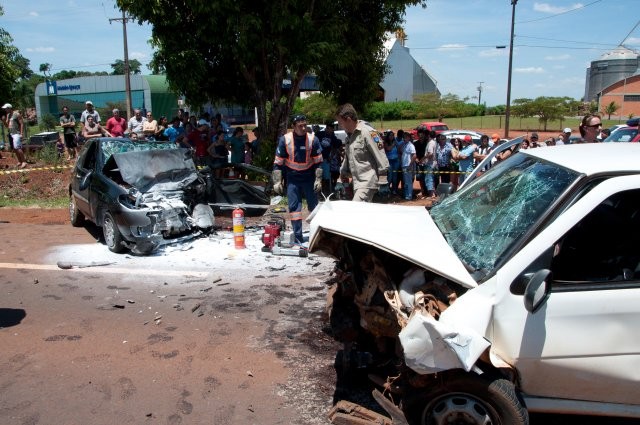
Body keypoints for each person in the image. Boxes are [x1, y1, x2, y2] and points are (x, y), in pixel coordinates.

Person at [272, 114, 322, 243]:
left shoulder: (313, 140)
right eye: (300, 126)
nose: (304, 128)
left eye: (305, 125)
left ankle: (315, 236)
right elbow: (278, 162)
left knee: (314, 207)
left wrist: (318, 179)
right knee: (295, 209)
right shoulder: (285, 140)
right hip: (293, 178)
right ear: (293, 126)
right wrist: (277, 181)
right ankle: (298, 237)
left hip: (309, 178)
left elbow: (318, 162)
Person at [335, 103, 389, 202]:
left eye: (340, 122)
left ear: (348, 120)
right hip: (357, 183)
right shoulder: (349, 137)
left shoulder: (368, 132)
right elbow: (347, 160)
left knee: (355, 211)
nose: (340, 126)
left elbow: (380, 155)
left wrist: (383, 179)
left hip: (368, 182)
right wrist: (340, 178)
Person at [315, 122, 342, 196]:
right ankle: (318, 192)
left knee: (326, 177)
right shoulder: (319, 134)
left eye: (330, 129)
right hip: (317, 159)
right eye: (327, 128)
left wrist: (331, 156)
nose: (328, 130)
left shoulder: (333, 137)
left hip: (326, 160)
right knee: (318, 176)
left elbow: (335, 147)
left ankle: (325, 192)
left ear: (332, 130)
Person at [1, 103, 27, 168]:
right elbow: (7, 126)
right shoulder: (8, 115)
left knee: (17, 147)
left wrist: (21, 133)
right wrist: (4, 121)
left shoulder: (17, 114)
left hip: (16, 133)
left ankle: (24, 162)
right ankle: (19, 161)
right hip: (11, 133)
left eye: (6, 109)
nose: (5, 110)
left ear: (9, 108)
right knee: (14, 149)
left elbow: (22, 124)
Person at [413, 125, 429, 198]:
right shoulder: (415, 143)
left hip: (426, 162)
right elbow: (414, 153)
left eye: (422, 135)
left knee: (427, 177)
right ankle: (422, 190)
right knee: (420, 177)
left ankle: (427, 191)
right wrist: (416, 159)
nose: (421, 137)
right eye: (419, 135)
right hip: (418, 162)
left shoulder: (427, 143)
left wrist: (424, 160)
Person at [400, 130, 416, 200]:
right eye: (403, 137)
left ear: (409, 138)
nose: (404, 139)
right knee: (406, 181)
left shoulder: (411, 145)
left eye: (406, 137)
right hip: (404, 165)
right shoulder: (404, 145)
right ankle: (407, 195)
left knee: (408, 182)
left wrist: (410, 165)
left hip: (408, 165)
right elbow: (399, 150)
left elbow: (414, 155)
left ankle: (409, 195)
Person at [383, 130, 400, 196]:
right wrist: (393, 145)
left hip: (395, 160)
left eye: (393, 135)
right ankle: (387, 189)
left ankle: (394, 190)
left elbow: (399, 149)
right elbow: (388, 149)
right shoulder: (386, 142)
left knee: (395, 177)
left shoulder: (395, 142)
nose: (392, 137)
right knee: (390, 176)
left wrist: (396, 143)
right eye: (390, 135)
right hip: (389, 161)